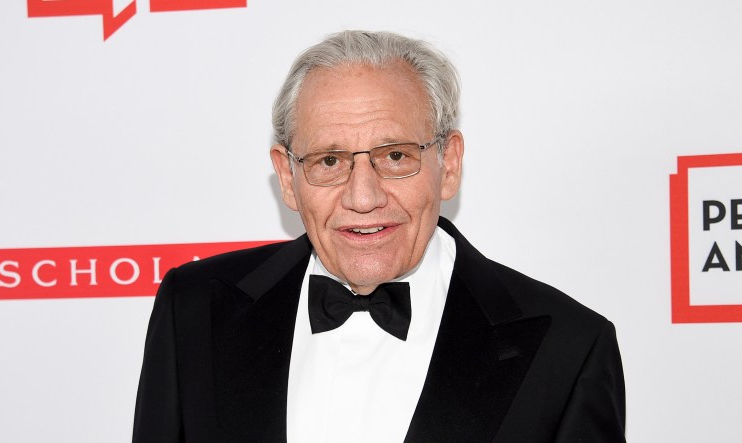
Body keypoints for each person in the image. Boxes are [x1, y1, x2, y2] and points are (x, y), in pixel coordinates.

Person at [133, 30, 626, 442]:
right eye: (329, 161)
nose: (363, 197)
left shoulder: (568, 350)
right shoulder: (193, 310)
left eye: (395, 156)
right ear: (287, 178)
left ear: (447, 164)